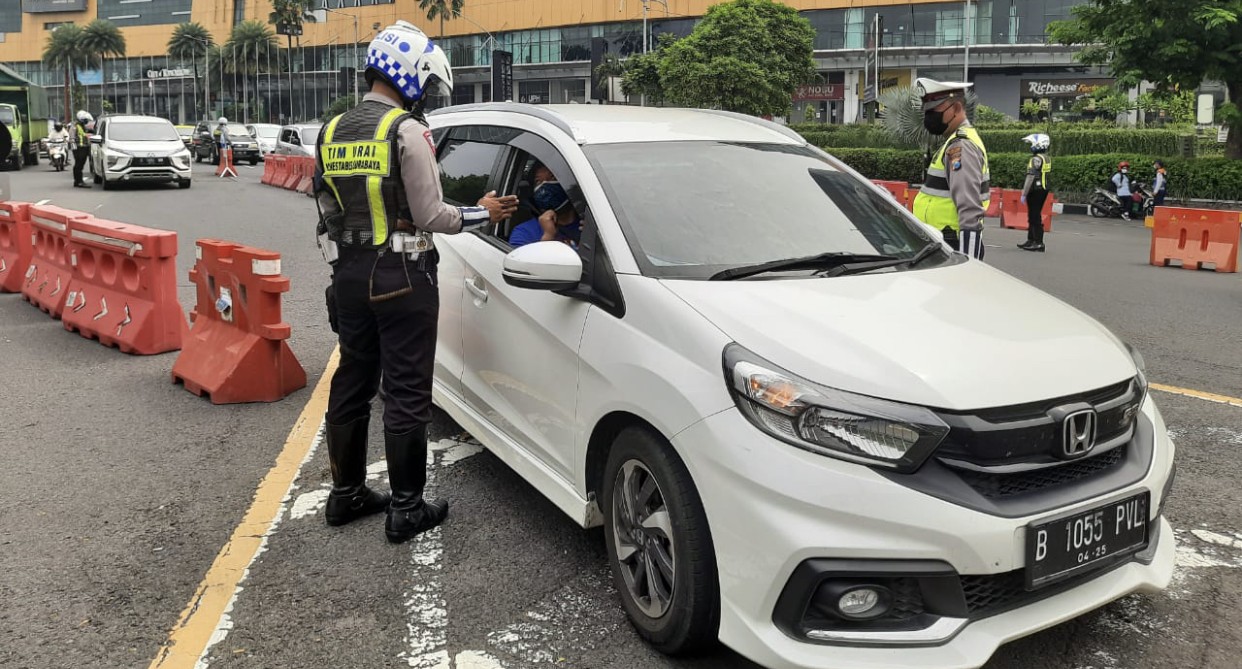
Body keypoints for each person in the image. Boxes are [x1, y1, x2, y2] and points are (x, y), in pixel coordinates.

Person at [315, 20, 517, 544]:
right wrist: (482, 213)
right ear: (404, 75)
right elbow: (432, 214)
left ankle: (346, 495)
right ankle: (406, 508)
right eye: (424, 84)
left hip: (349, 274)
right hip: (402, 275)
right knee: (405, 388)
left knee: (353, 379)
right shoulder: (406, 130)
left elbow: (326, 207)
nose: (425, 95)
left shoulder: (332, 129)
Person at [911, 78, 991, 260]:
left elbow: (970, 211)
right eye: (927, 111)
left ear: (956, 109)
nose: (929, 117)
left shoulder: (961, 147)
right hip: (939, 244)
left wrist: (969, 266)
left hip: (950, 247)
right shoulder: (952, 142)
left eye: (934, 111)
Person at [508, 163, 581, 248]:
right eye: (538, 181)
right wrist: (548, 236)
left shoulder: (589, 223)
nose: (545, 186)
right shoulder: (525, 232)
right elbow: (519, 260)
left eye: (553, 178)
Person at [1018, 133, 1051, 252]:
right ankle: (1031, 240)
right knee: (1033, 215)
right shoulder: (1045, 157)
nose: (1031, 146)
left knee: (1035, 216)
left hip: (1035, 190)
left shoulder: (1035, 159)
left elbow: (1030, 177)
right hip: (1043, 189)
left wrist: (1024, 193)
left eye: (1032, 144)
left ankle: (1038, 242)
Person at [71, 110, 92, 188]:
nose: (87, 121)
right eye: (85, 119)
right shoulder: (75, 126)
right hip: (79, 149)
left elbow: (84, 135)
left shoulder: (82, 126)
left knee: (81, 165)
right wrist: (74, 151)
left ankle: (78, 181)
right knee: (78, 165)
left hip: (83, 148)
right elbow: (72, 139)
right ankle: (78, 181)